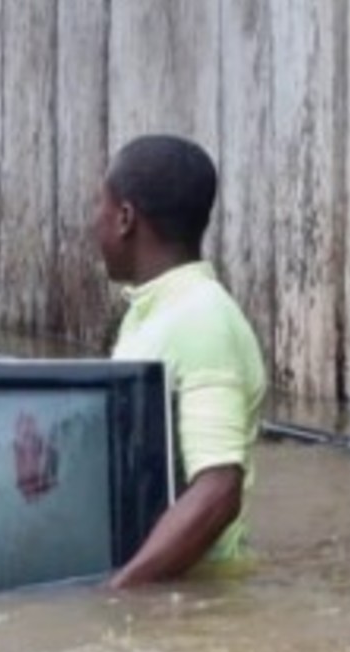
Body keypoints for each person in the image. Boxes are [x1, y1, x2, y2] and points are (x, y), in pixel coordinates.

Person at [95, 135, 267, 588]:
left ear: (126, 218)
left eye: (101, 206)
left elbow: (218, 490)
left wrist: (120, 591)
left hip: (196, 600)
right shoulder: (152, 312)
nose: (94, 222)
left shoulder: (201, 320)